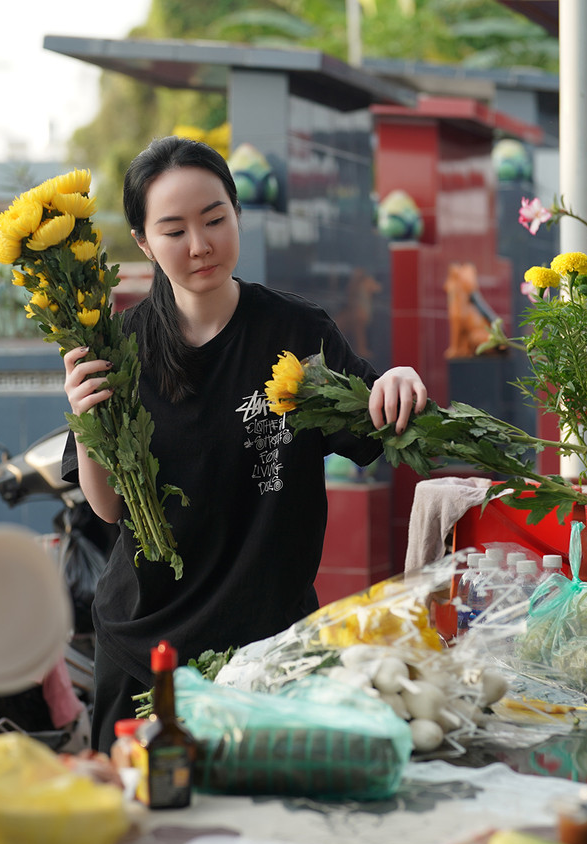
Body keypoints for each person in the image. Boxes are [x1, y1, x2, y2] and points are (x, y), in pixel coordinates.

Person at [62, 136, 428, 751]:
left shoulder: (296, 332)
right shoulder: (117, 349)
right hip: (145, 647)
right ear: (144, 242)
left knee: (267, 835)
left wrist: (397, 379)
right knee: (122, 838)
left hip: (271, 650)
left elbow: (374, 412)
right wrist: (86, 421)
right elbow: (110, 511)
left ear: (238, 214)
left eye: (214, 220)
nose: (200, 246)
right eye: (174, 230)